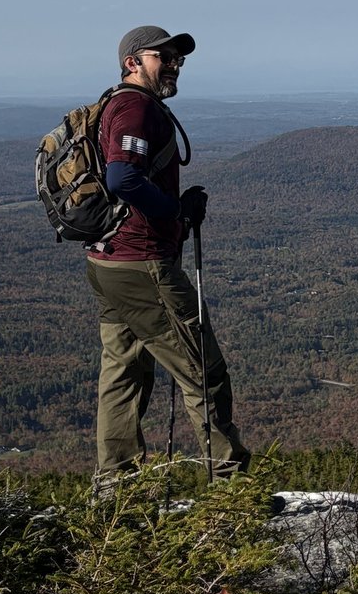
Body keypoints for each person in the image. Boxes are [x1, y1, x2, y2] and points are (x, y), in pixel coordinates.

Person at [86, 24, 250, 487]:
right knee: (204, 370)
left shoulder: (112, 105)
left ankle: (116, 488)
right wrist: (177, 210)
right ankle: (232, 489)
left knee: (123, 371)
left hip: (108, 261)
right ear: (132, 62)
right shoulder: (135, 108)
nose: (175, 64)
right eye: (164, 57)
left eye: (179, 59)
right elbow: (122, 179)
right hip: (143, 264)